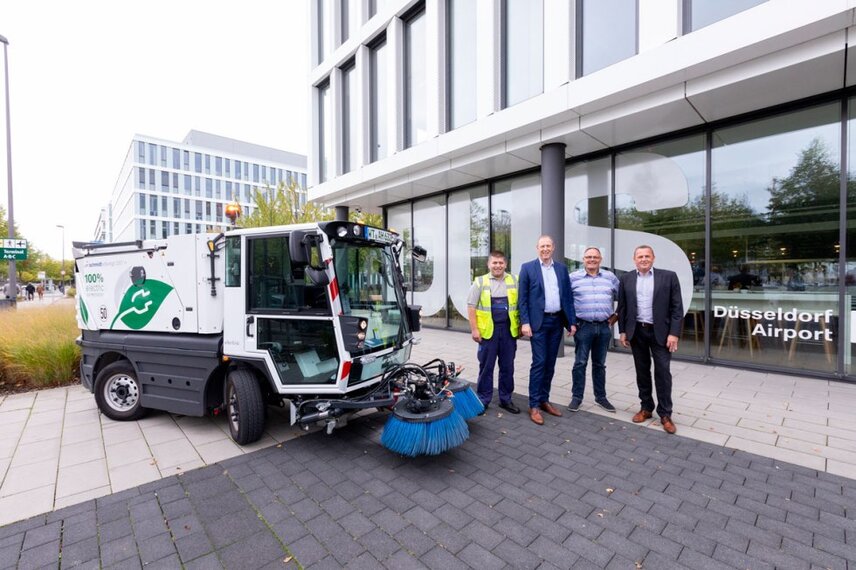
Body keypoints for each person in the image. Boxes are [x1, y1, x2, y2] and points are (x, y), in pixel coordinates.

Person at [617, 245, 684, 434]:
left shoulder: (668, 277)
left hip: (661, 333)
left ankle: (665, 414)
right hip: (637, 331)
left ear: (653, 258)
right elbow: (622, 307)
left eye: (647, 256)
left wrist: (674, 333)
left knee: (663, 372)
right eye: (640, 256)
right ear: (634, 259)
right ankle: (646, 407)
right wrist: (622, 331)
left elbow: (676, 308)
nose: (643, 259)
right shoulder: (626, 278)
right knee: (642, 371)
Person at [518, 235, 576, 425]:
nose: (545, 249)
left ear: (553, 248)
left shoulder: (561, 268)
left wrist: (571, 322)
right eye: (542, 246)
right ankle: (533, 404)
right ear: (537, 248)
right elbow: (523, 299)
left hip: (556, 322)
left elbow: (567, 296)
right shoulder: (528, 268)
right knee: (539, 362)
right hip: (538, 323)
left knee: (550, 363)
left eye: (548, 246)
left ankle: (544, 400)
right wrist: (524, 322)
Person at [467, 250, 521, 414]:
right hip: (488, 333)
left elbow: (520, 305)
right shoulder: (480, 282)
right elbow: (471, 307)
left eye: (500, 263)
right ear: (488, 264)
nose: (497, 266)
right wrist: (474, 329)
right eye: (494, 263)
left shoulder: (514, 280)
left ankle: (506, 399)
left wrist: (520, 326)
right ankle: (483, 400)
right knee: (486, 367)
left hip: (508, 331)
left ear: (505, 264)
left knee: (507, 367)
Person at [568, 247, 619, 413]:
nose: (592, 259)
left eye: (595, 257)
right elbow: (565, 301)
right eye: (588, 257)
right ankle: (577, 397)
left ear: (600, 259)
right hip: (583, 327)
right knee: (580, 362)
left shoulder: (610, 277)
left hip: (604, 327)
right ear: (583, 259)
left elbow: (624, 298)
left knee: (600, 364)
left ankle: (601, 397)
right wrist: (571, 322)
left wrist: (616, 315)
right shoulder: (573, 278)